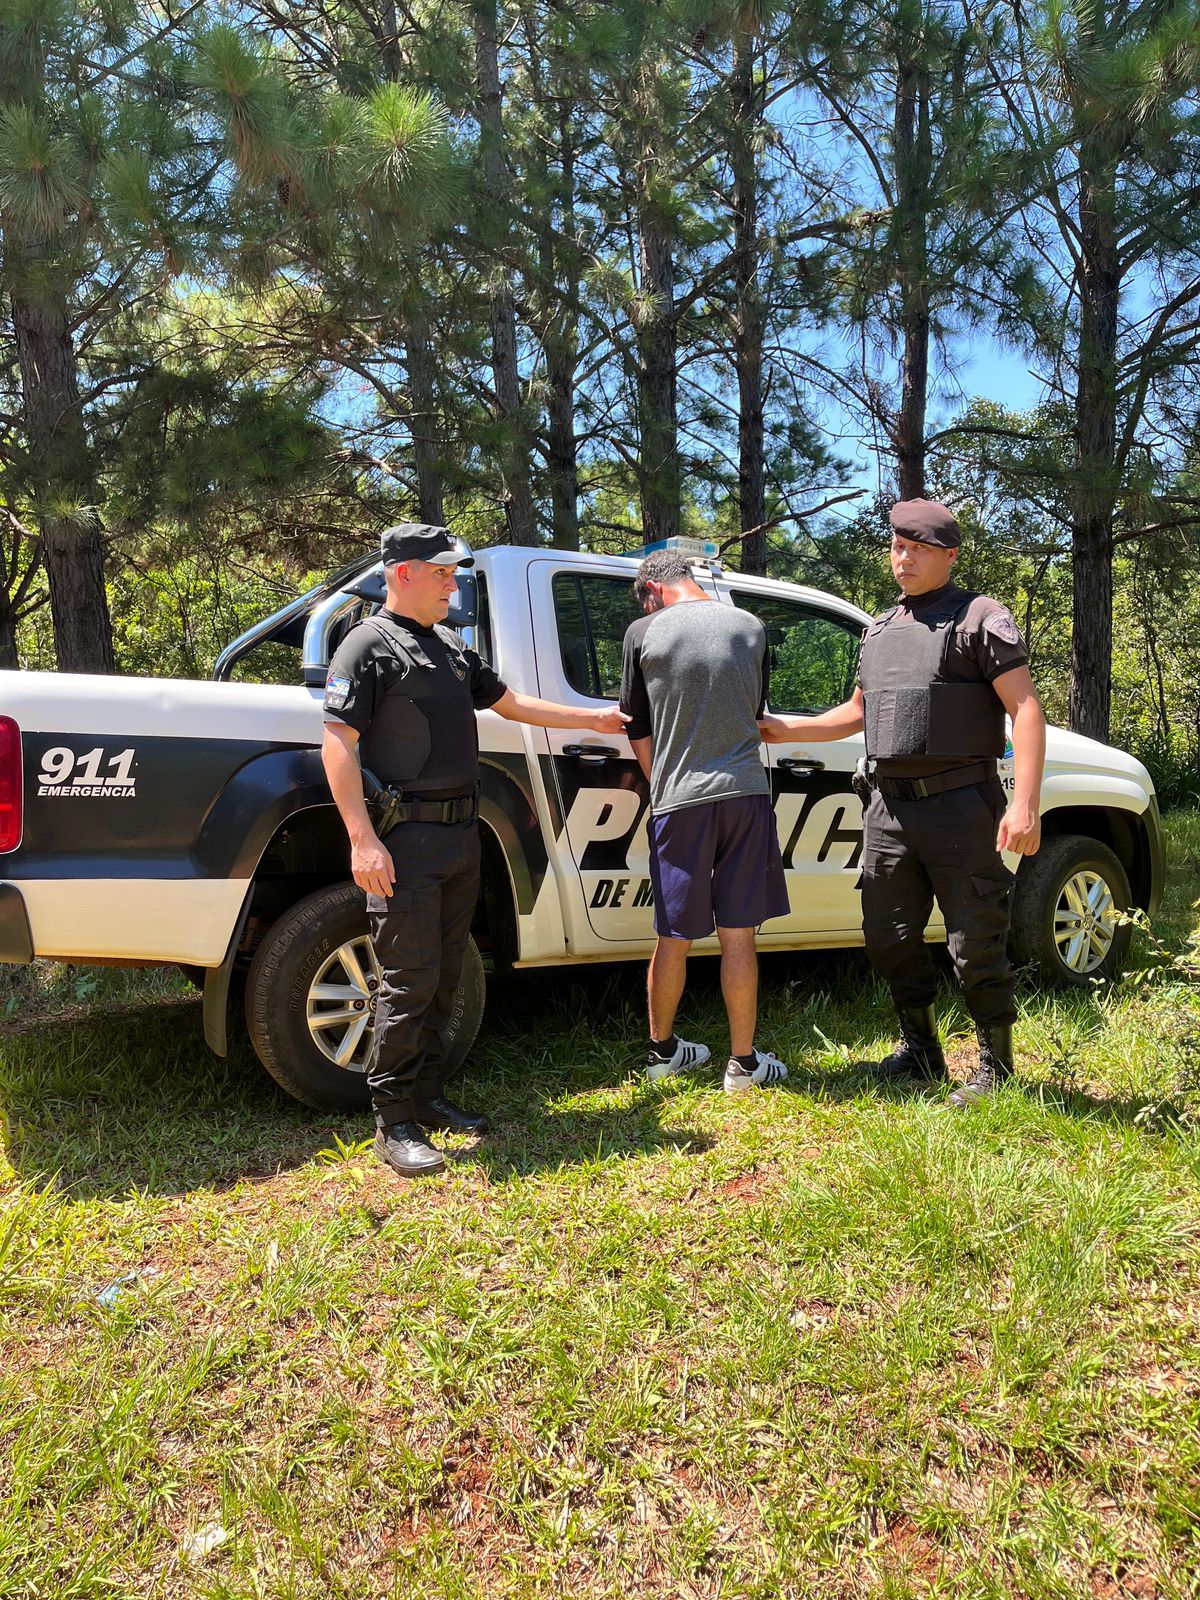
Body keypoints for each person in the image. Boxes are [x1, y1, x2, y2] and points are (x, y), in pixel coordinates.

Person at [322, 522, 629, 1178]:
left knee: (447, 977)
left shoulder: (451, 651)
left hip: (461, 838)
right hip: (405, 841)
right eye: (442, 573)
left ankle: (428, 1098)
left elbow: (512, 704)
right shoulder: (366, 647)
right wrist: (362, 840)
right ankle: (393, 1120)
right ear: (403, 573)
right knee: (408, 981)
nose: (452, 583)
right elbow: (337, 744)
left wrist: (592, 719)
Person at [760, 498, 1045, 1106]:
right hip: (888, 811)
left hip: (962, 805)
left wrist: (1024, 804)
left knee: (975, 940)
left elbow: (1025, 709)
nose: (903, 557)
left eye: (917, 548)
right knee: (887, 938)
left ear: (950, 555)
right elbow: (859, 713)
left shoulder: (978, 618)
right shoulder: (880, 630)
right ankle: (920, 1050)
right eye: (897, 546)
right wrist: (787, 729)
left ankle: (997, 1066)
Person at [620, 548, 790, 1094]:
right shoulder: (751, 626)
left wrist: (663, 777)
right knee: (738, 934)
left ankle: (662, 1051)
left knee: (674, 934)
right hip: (744, 794)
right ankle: (743, 1065)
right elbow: (758, 711)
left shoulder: (642, 634)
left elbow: (635, 726)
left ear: (652, 589)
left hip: (678, 803)